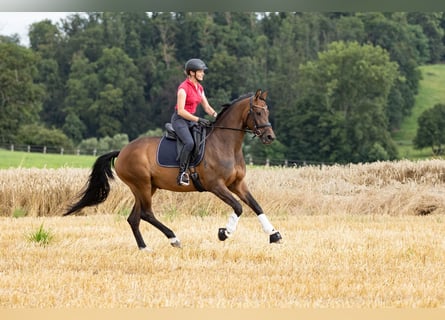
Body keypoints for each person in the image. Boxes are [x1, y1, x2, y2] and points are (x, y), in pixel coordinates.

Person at [171, 58, 218, 186]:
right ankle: (182, 174)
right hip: (180, 120)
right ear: (192, 73)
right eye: (201, 71)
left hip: (191, 120)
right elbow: (181, 111)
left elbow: (207, 107)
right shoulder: (183, 88)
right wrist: (199, 119)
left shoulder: (199, 88)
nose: (203, 73)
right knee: (190, 143)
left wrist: (217, 116)